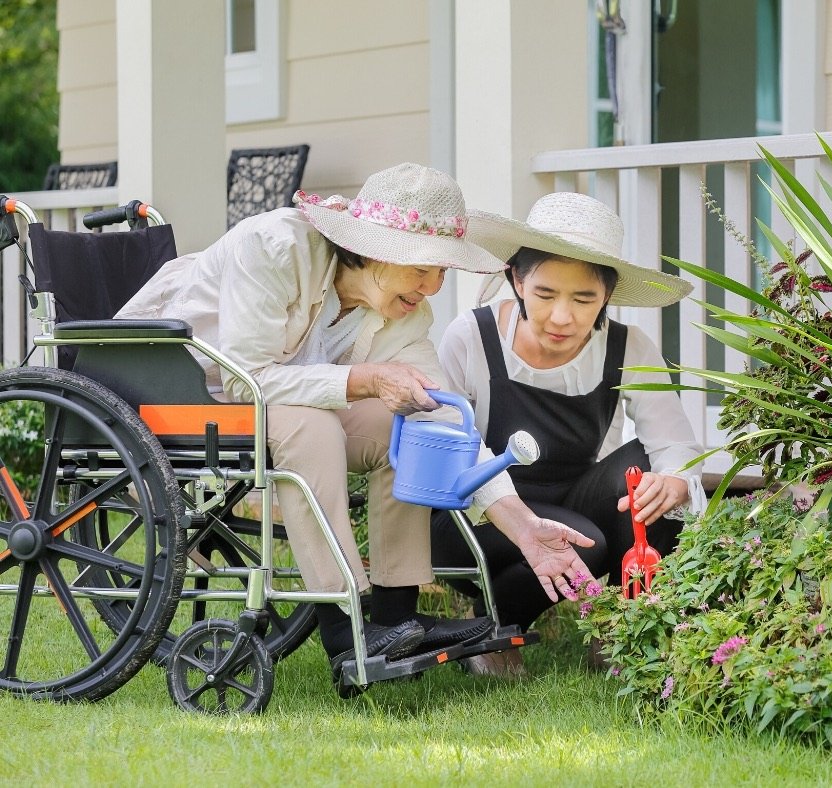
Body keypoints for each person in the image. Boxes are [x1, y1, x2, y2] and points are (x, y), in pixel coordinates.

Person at [116, 163, 595, 684]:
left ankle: (395, 615)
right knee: (314, 426)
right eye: (425, 268)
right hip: (175, 390)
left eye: (443, 272)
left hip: (273, 404)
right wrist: (363, 378)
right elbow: (245, 377)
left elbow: (449, 421)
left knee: (414, 429)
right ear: (375, 249)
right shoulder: (275, 247)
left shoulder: (404, 314)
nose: (434, 286)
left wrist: (523, 525)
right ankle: (344, 628)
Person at [431, 192, 707, 674]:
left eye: (584, 299)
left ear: (608, 295)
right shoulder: (470, 337)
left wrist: (675, 482)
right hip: (476, 515)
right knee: (588, 542)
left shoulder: (628, 346)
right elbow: (448, 451)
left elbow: (674, 444)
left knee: (648, 475)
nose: (563, 317)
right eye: (545, 294)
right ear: (516, 279)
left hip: (573, 498)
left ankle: (627, 630)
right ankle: (497, 628)